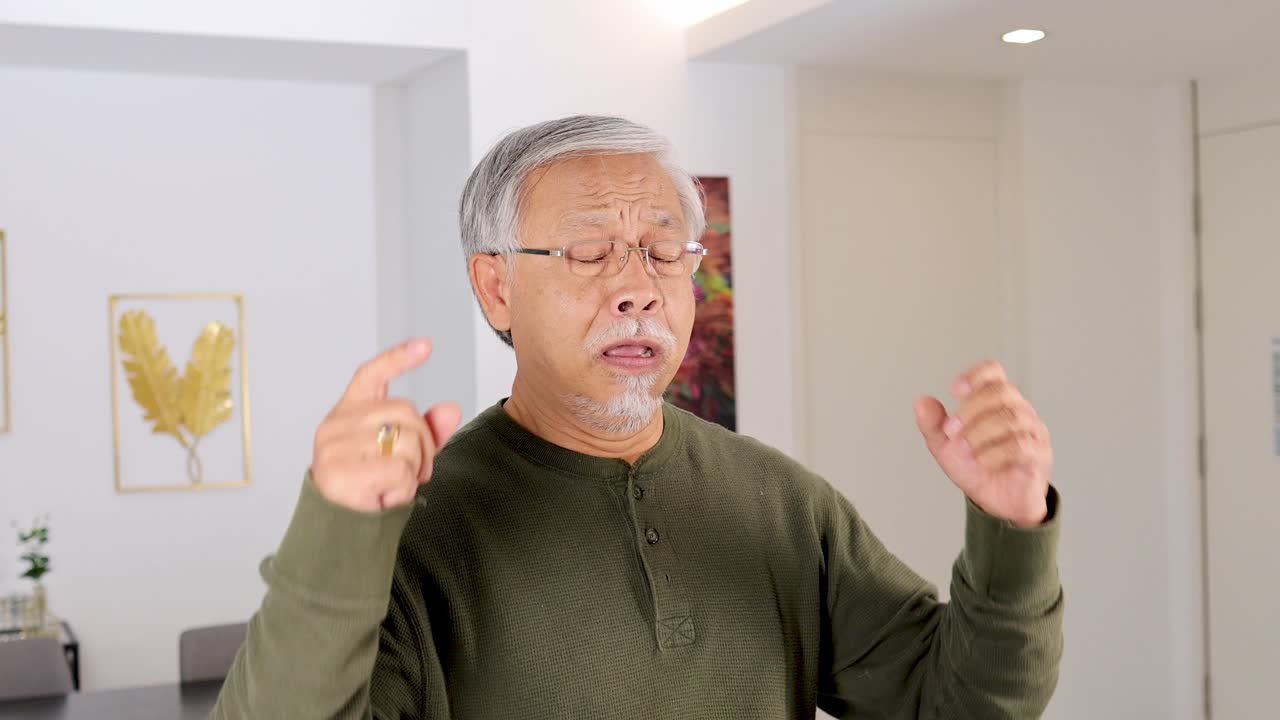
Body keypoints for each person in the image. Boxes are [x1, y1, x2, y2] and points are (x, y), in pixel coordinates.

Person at [213, 115, 1062, 719]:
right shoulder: (421, 531)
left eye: (664, 252)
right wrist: (336, 531)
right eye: (589, 252)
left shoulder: (782, 502)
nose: (637, 287)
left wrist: (1012, 528)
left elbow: (964, 703)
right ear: (495, 285)